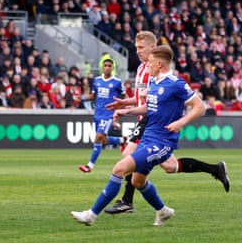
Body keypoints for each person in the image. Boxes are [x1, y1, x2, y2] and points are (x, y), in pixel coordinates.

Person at [71, 45, 225, 227]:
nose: (147, 65)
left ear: (159, 64)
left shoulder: (176, 83)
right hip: (147, 139)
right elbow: (149, 108)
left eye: (150, 62)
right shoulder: (154, 82)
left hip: (162, 143)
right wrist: (126, 110)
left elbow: (199, 106)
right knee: (137, 180)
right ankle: (163, 211)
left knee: (119, 168)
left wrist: (181, 122)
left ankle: (91, 215)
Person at [103, 31, 230, 215]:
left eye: (141, 48)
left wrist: (179, 120)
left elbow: (160, 98)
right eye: (136, 48)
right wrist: (126, 103)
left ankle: (126, 200)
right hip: (144, 118)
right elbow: (142, 98)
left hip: (152, 121)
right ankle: (215, 169)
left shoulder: (158, 71)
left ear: (153, 48)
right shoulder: (141, 69)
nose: (137, 51)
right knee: (170, 167)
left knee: (128, 154)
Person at [78, 58, 126, 173]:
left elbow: (125, 97)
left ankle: (89, 166)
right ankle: (123, 140)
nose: (107, 67)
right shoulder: (97, 81)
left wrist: (127, 107)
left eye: (109, 65)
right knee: (103, 140)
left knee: (98, 137)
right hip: (97, 114)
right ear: (102, 67)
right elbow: (93, 96)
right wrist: (82, 98)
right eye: (105, 65)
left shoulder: (117, 82)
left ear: (113, 68)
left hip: (108, 114)